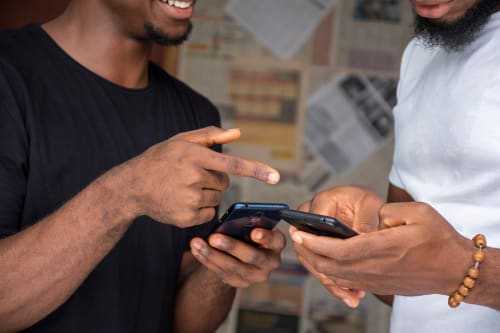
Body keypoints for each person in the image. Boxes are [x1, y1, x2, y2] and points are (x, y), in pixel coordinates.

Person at [0, 0, 286, 332]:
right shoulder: (8, 78)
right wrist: (126, 193)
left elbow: (187, 324)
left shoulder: (196, 116)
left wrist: (224, 266)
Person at [290, 0, 500, 332]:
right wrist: (360, 239)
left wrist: (466, 270)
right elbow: (406, 286)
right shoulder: (420, 54)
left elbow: (447, 269)